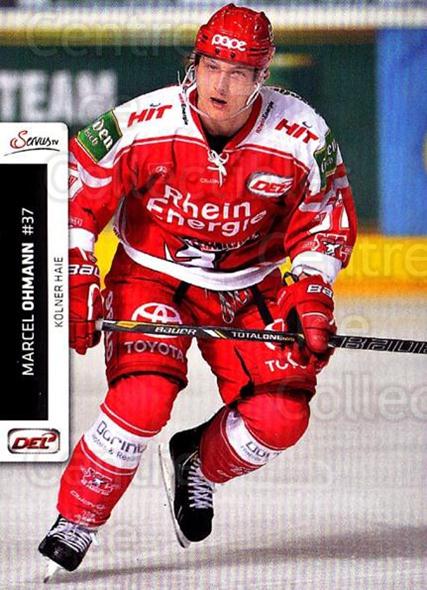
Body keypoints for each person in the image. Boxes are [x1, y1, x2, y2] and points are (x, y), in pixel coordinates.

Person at [39, 3, 357, 574]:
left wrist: (313, 290)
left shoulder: (302, 133)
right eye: (212, 66)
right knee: (142, 397)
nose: (221, 85)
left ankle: (197, 463)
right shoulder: (144, 122)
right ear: (195, 63)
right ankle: (78, 518)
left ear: (263, 77)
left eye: (239, 73)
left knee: (281, 416)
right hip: (151, 275)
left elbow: (324, 220)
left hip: (247, 284)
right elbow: (71, 189)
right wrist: (75, 268)